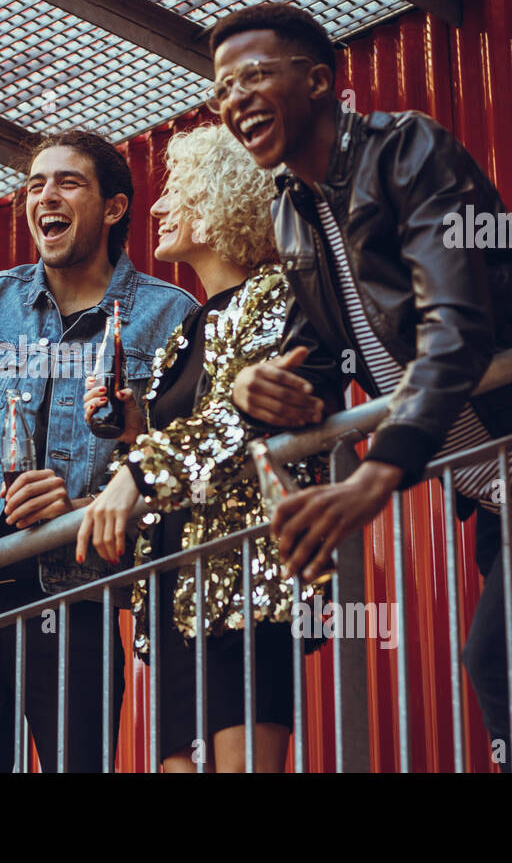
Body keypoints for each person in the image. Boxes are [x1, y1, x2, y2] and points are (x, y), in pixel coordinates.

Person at [211, 3, 512, 772]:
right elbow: (323, 352)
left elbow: (457, 322)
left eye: (253, 75)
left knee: (502, 654)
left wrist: (381, 471)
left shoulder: (408, 151)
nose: (234, 98)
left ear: (320, 81)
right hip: (500, 472)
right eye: (221, 87)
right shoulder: (293, 214)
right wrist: (264, 387)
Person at [0, 129, 198, 772]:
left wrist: (81, 506)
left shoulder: (170, 317)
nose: (44, 196)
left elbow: (182, 460)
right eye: (35, 184)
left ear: (114, 208)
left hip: (78, 600)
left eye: (67, 182)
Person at [74, 124, 326, 773]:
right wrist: (137, 430)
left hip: (244, 583)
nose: (156, 208)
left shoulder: (278, 295)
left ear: (222, 200)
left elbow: (241, 419)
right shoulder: (185, 328)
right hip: (174, 593)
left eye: (175, 192)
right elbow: (197, 433)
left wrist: (138, 470)